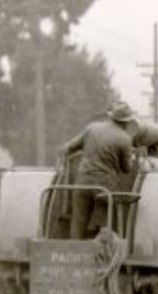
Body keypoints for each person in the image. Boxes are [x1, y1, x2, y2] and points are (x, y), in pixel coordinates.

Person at [60, 102, 140, 239]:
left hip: (83, 182)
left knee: (78, 220)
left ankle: (75, 248)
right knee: (105, 220)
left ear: (111, 117)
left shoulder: (92, 128)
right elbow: (126, 169)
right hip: (105, 186)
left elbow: (69, 148)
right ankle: (102, 247)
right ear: (126, 122)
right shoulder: (125, 139)